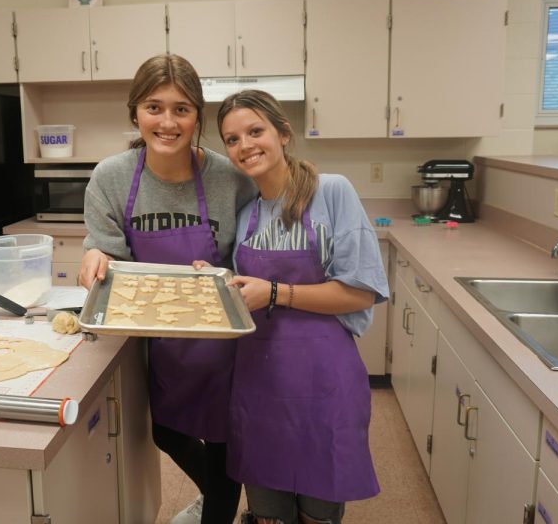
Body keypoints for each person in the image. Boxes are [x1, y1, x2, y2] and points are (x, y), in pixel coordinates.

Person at [78, 54, 256, 524]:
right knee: (167, 433)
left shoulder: (230, 178)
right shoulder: (112, 177)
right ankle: (216, 497)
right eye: (154, 107)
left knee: (223, 448)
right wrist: (97, 258)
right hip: (158, 342)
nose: (168, 122)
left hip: (224, 342)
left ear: (198, 116)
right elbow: (107, 253)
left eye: (182, 109)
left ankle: (216, 506)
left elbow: (257, 251)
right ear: (134, 110)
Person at [214, 89, 389, 524]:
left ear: (283, 133)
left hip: (323, 383)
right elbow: (243, 294)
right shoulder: (245, 213)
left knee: (319, 512)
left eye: (255, 131)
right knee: (267, 514)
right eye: (232, 140)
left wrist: (277, 292)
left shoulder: (331, 192)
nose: (245, 146)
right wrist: (213, 278)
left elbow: (361, 291)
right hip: (259, 384)